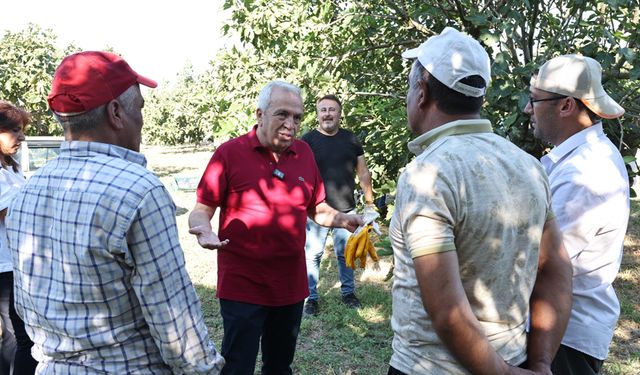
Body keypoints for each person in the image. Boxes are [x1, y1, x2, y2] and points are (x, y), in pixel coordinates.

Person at [5, 51, 224, 374]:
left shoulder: (27, 192)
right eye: (141, 109)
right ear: (116, 112)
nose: (143, 121)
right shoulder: (139, 191)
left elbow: (26, 308)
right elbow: (176, 325)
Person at [388, 27, 573, 375]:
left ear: (422, 92)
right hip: (514, 359)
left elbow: (447, 313)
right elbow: (557, 268)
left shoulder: (429, 175)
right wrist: (540, 363)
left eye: (410, 87)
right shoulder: (528, 166)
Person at [188, 81, 362, 375]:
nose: (291, 124)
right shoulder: (229, 153)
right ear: (260, 114)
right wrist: (203, 230)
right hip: (242, 283)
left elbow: (315, 208)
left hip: (290, 284)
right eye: (282, 114)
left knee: (280, 366)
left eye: (297, 117)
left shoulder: (305, 153)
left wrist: (343, 219)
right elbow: (202, 209)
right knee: (238, 365)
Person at [525, 54, 630, 375]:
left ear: (566, 105)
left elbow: (546, 262)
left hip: (563, 336)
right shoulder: (573, 161)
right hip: (557, 329)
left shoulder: (586, 172)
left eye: (534, 100)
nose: (528, 109)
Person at [301, 94, 374, 315]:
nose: (327, 114)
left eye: (332, 109)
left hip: (346, 208)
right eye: (323, 110)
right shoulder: (307, 141)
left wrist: (369, 203)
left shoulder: (351, 139)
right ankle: (310, 298)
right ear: (317, 114)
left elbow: (363, 172)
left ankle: (348, 293)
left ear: (340, 113)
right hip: (317, 210)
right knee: (313, 254)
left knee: (346, 254)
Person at [0, 101, 37, 375]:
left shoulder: (10, 167)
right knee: (20, 338)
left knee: (17, 336)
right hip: (4, 266)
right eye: (14, 130)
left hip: (17, 261)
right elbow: (12, 211)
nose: (21, 137)